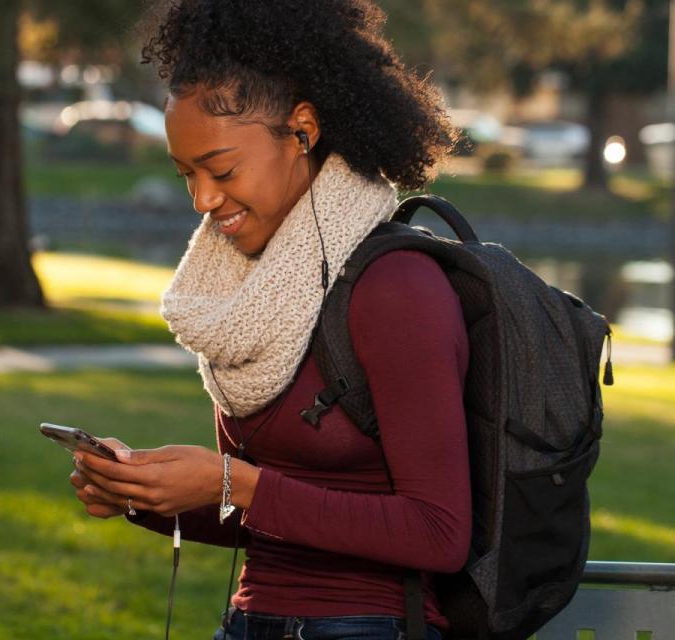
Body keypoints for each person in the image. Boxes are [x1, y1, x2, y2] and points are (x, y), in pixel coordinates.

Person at [69, 1, 471, 638]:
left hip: (372, 626)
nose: (203, 199)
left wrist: (234, 481)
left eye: (222, 170)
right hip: (249, 622)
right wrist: (145, 495)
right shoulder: (245, 298)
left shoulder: (396, 287)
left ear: (302, 131)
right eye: (186, 175)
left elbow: (440, 533)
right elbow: (270, 512)